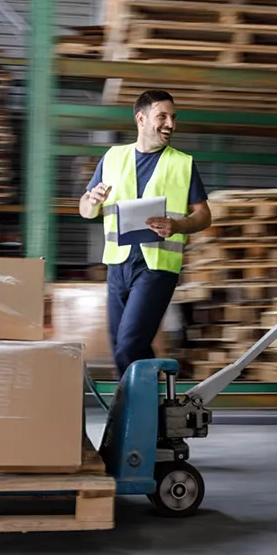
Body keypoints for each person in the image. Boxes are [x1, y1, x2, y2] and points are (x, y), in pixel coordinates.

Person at [79, 90, 212, 380]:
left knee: (130, 345)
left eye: (173, 117)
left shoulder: (182, 163)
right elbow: (85, 210)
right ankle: (149, 405)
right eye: (162, 116)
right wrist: (92, 200)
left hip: (157, 268)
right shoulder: (113, 157)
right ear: (141, 118)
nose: (170, 124)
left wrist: (177, 226)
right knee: (120, 347)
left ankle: (145, 410)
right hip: (118, 265)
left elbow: (204, 216)